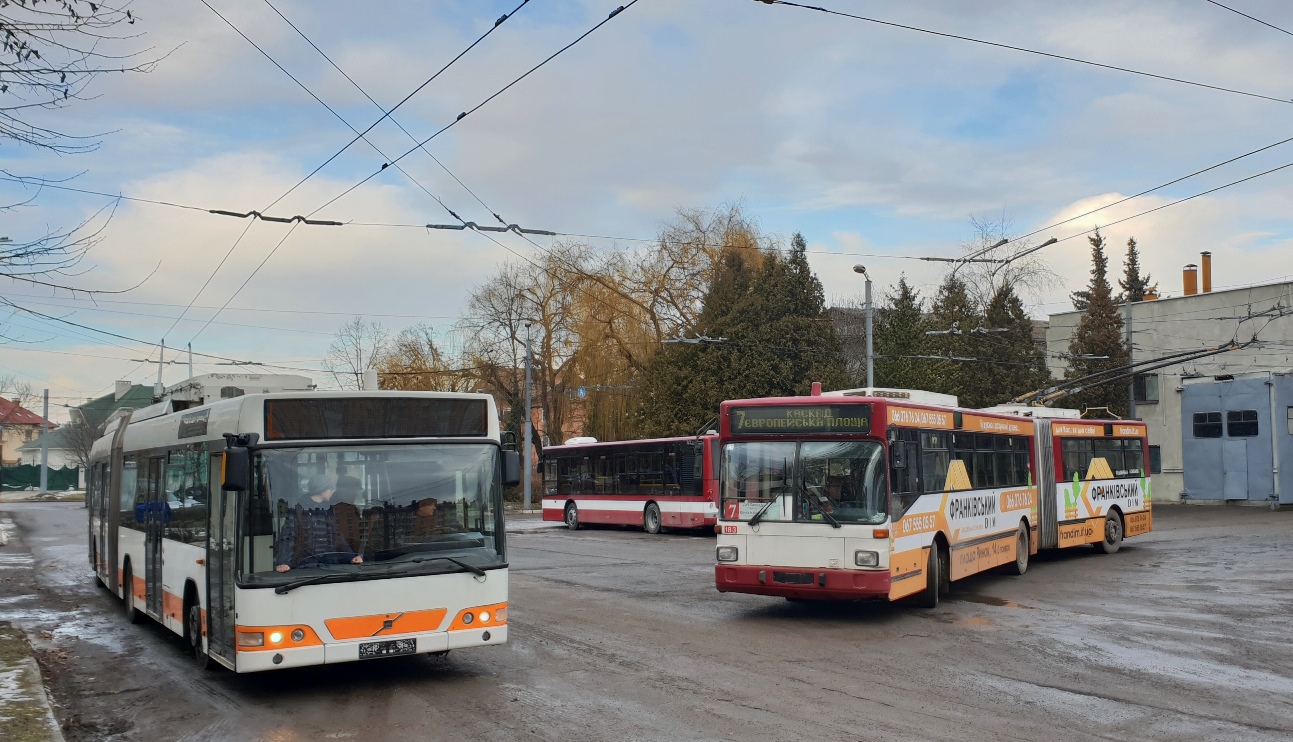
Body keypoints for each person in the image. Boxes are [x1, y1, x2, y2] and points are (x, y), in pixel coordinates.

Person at [274, 474, 364, 572]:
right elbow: (288, 537)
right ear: (322, 490)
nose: (333, 491)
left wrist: (351, 556)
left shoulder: (329, 509)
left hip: (330, 565)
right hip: (305, 567)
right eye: (330, 488)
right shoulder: (298, 510)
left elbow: (337, 537)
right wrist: (283, 562)